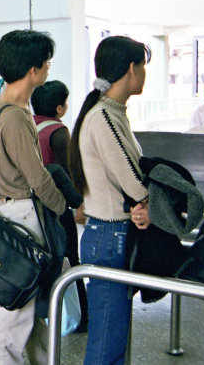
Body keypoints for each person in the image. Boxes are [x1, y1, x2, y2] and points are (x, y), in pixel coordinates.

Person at [0, 30, 65, 365]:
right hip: (22, 216)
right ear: (33, 69)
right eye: (46, 62)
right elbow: (38, 179)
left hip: (8, 212)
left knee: (23, 313)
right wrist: (66, 209)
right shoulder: (15, 116)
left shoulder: (6, 105)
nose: (48, 69)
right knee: (11, 318)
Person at [68, 36, 152, 365]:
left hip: (110, 233)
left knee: (113, 335)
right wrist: (149, 202)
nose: (144, 73)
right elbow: (133, 180)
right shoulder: (104, 117)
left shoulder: (110, 113)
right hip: (108, 236)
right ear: (132, 69)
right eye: (143, 66)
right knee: (106, 340)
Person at [30, 79, 88, 332]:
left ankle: (42, 311)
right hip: (57, 206)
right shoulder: (59, 132)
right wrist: (80, 203)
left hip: (33, 205)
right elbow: (67, 173)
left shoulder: (28, 124)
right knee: (71, 259)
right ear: (60, 107)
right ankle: (82, 317)